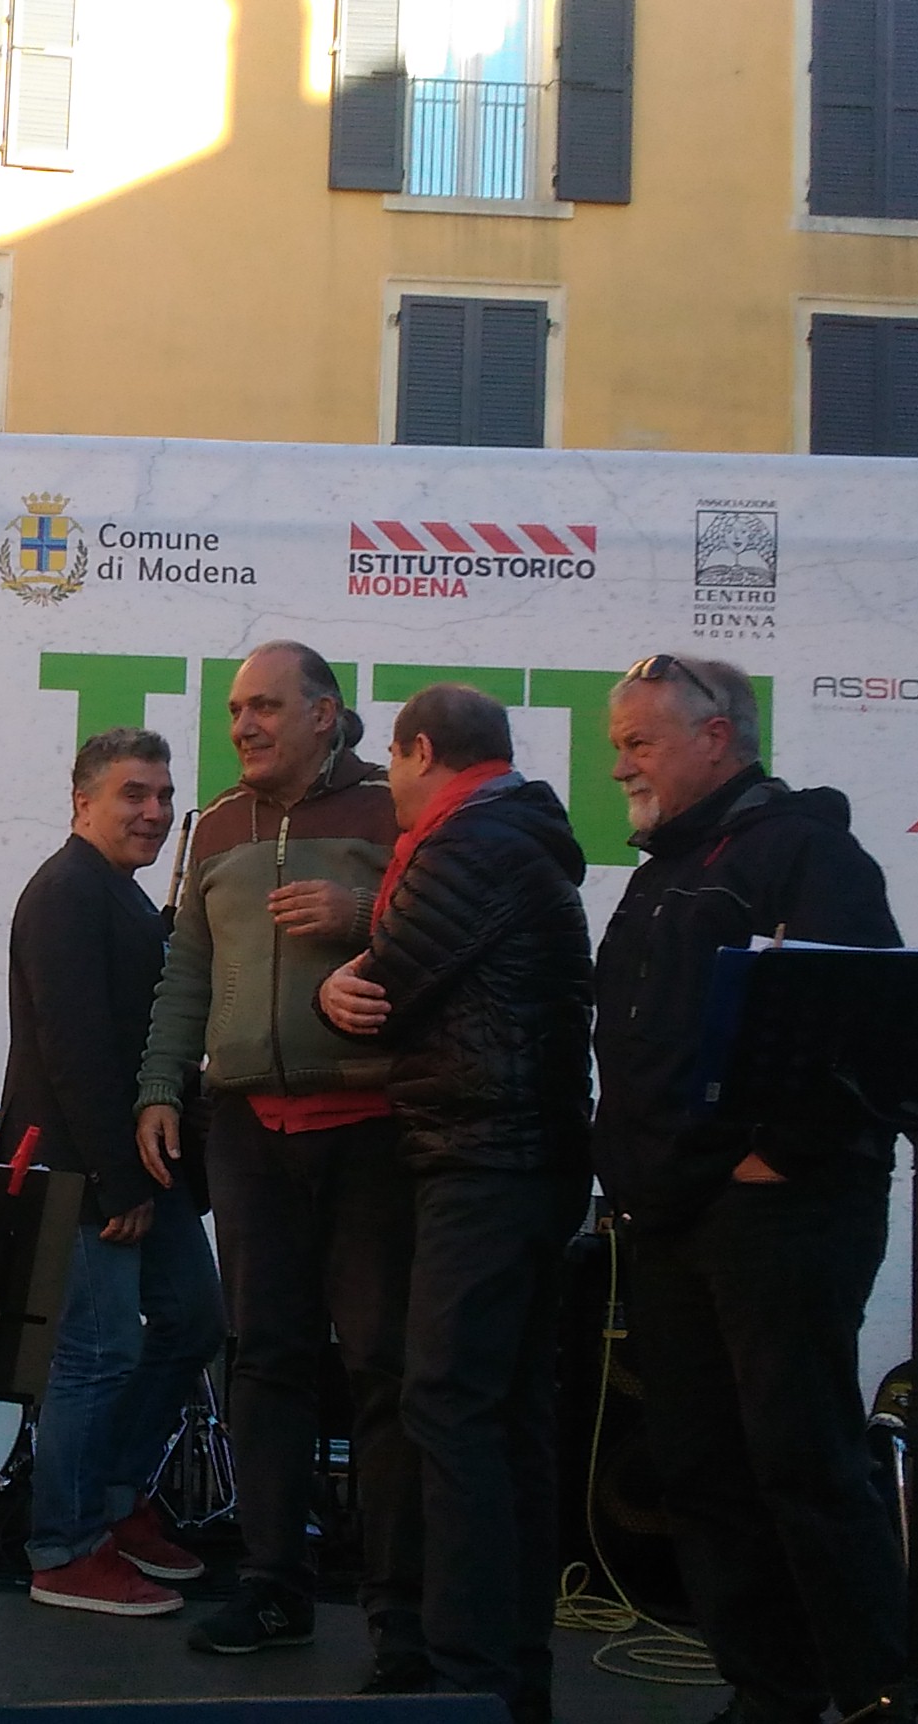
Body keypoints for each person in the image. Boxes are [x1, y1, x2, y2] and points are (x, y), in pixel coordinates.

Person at [591, 654, 906, 1724]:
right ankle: (768, 1694)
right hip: (670, 1214)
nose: (620, 766)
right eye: (617, 746)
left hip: (781, 1212)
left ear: (716, 737)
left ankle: (878, 1695)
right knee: (699, 1468)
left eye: (639, 742)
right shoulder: (662, 870)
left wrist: (781, 1156)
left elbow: (862, 1019)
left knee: (802, 1461)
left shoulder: (809, 852)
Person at [129, 642, 417, 1683]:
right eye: (234, 709)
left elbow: (460, 933)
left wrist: (363, 916)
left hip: (375, 1126)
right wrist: (161, 1087)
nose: (243, 726)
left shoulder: (392, 810)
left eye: (264, 707)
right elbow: (185, 973)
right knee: (264, 1363)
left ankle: (401, 1616)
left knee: (382, 1367)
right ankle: (272, 1585)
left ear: (325, 715)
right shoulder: (215, 823)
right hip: (249, 1128)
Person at [315, 685, 593, 1720]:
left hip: (485, 1157)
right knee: (505, 1413)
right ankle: (511, 1673)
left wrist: (327, 991)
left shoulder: (467, 842)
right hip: (521, 1155)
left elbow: (384, 988)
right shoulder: (516, 835)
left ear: (422, 750)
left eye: (392, 760)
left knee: (449, 1405)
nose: (387, 783)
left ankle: (469, 1677)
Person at [8, 728, 227, 1618]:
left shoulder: (121, 896)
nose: (155, 811)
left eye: (164, 795)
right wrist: (116, 1183)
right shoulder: (66, 892)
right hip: (90, 1167)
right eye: (134, 794)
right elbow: (76, 1052)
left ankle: (112, 1498)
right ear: (82, 802)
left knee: (194, 1319)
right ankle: (63, 1549)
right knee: (97, 1355)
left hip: (142, 1160)